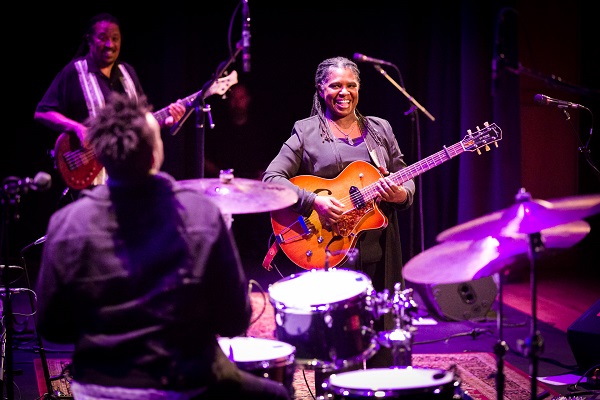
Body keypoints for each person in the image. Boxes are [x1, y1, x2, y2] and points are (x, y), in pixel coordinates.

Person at [34, 92, 291, 400]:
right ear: (156, 155)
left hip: (97, 387)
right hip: (182, 386)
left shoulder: (66, 223)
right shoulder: (201, 216)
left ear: (99, 158)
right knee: (275, 394)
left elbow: (51, 326)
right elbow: (235, 319)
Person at [262, 56, 415, 370]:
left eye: (351, 85)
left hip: (379, 246)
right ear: (321, 89)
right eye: (335, 85)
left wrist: (401, 194)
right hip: (329, 249)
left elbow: (405, 174)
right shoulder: (306, 132)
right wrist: (312, 201)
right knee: (338, 345)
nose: (344, 92)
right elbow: (271, 180)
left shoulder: (379, 129)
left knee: (382, 334)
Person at [34, 12, 185, 192]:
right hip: (89, 180)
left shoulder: (127, 73)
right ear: (89, 40)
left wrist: (165, 121)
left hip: (126, 181)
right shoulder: (74, 71)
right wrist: (76, 127)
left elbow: (140, 124)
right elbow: (42, 112)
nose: (110, 45)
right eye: (102, 38)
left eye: (115, 38)